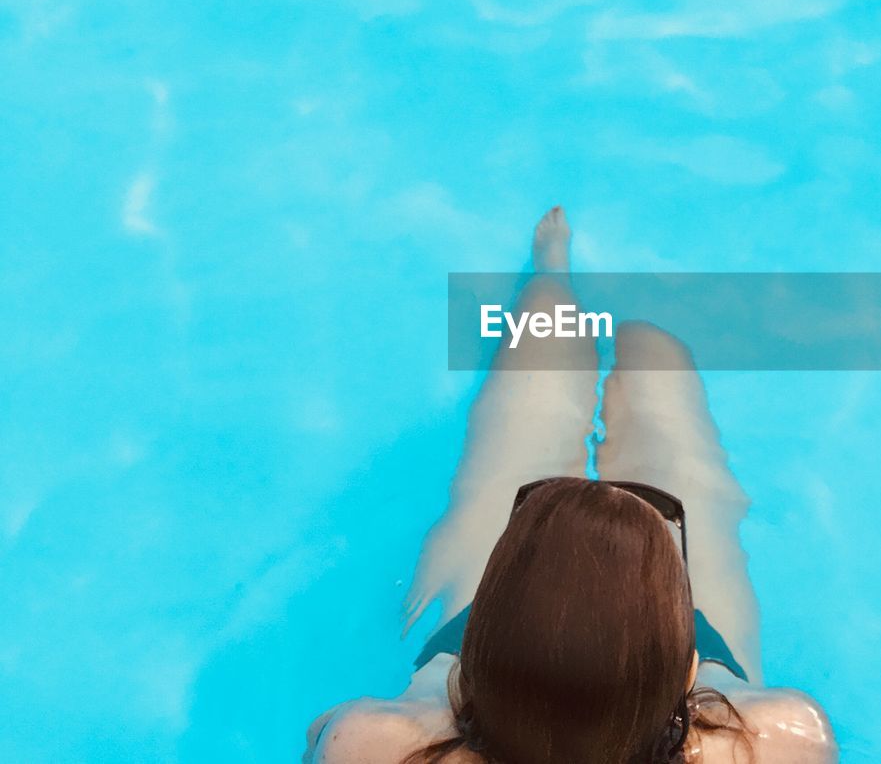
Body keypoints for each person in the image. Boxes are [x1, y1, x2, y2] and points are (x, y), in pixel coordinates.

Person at [303, 208, 837, 763]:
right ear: (688, 672)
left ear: (476, 651)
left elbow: (320, 734)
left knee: (530, 389)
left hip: (469, 710)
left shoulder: (369, 743)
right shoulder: (783, 738)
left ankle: (550, 283)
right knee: (659, 367)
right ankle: (636, 312)